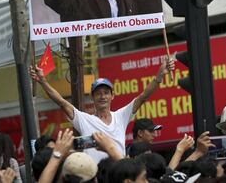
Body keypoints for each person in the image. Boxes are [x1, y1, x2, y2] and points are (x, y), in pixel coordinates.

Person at [30, 57, 174, 163]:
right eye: (98, 93)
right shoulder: (85, 119)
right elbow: (61, 102)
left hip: (119, 175)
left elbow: (142, 97)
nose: (102, 96)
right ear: (92, 98)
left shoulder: (121, 116)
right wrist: (43, 81)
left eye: (106, 92)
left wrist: (159, 76)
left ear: (113, 96)